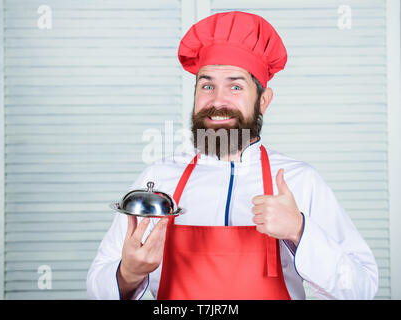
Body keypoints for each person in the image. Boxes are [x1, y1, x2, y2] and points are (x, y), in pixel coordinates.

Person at [87, 11, 378, 300]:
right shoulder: (159, 179)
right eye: (207, 85)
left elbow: (361, 289)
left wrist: (299, 231)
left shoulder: (300, 181)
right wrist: (129, 274)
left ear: (263, 101)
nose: (217, 101)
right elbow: (97, 288)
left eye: (235, 86)